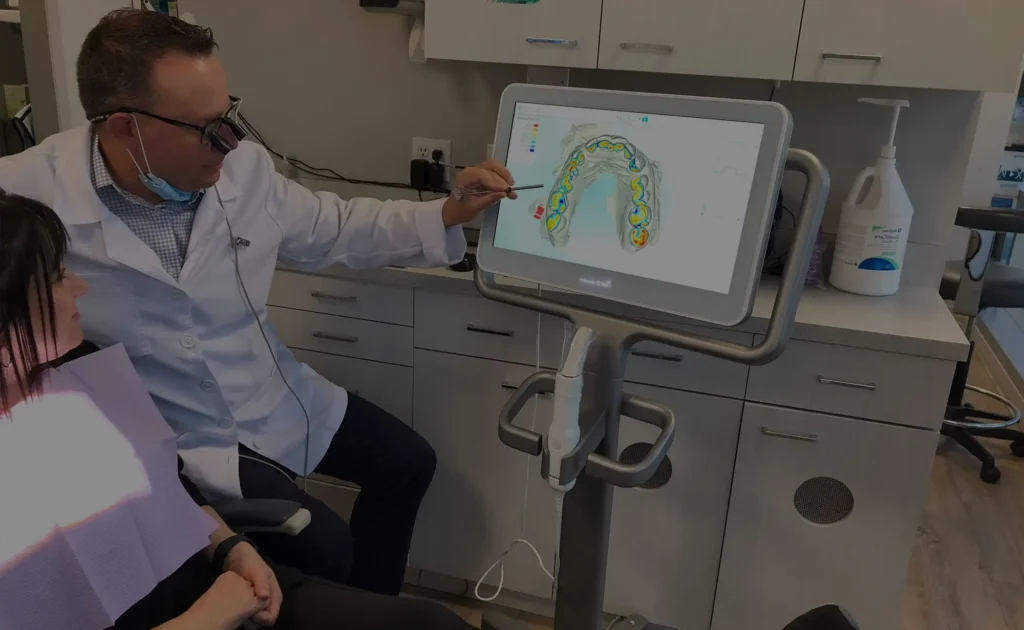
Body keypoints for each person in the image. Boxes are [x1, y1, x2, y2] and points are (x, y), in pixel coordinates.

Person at [0, 8, 519, 595]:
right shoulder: (26, 193)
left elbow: (333, 227)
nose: (231, 141)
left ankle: (374, 614)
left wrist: (447, 212)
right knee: (327, 549)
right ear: (125, 128)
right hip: (177, 435)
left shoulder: (240, 169)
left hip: (269, 393)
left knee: (407, 464)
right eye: (206, 128)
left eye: (230, 116)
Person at [0, 188, 476, 630]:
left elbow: (173, 484)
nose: (81, 287)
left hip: (214, 583)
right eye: (59, 277)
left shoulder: (81, 366)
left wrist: (231, 548)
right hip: (198, 614)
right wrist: (211, 615)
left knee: (432, 622)